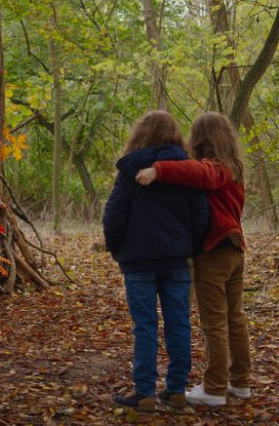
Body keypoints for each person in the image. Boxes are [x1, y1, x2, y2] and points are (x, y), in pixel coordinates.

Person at [135, 111, 251, 407]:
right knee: (234, 319)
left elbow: (197, 172)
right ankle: (239, 383)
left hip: (215, 252)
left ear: (200, 139)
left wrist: (158, 170)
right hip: (235, 250)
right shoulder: (234, 167)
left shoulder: (216, 168)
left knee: (215, 323)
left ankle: (214, 389)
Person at [103, 111, 209, 412]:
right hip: (176, 260)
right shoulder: (187, 171)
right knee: (179, 322)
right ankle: (176, 389)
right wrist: (192, 246)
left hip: (138, 262)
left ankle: (145, 391)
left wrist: (118, 249)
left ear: (140, 134)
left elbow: (114, 215)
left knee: (145, 326)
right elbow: (200, 214)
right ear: (174, 135)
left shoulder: (130, 171)